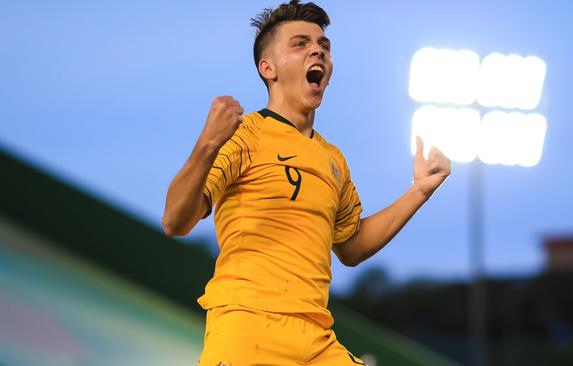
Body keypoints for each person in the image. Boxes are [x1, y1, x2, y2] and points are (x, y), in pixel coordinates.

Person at [162, 1, 451, 365]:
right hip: (249, 325)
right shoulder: (245, 134)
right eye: (300, 43)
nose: (318, 49)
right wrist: (207, 143)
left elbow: (352, 245)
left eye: (323, 46)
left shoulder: (333, 159)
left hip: (315, 337)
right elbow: (175, 220)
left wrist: (419, 190)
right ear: (268, 68)